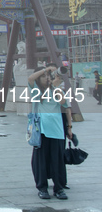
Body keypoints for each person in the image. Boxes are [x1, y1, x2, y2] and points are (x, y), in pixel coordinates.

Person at [28, 66, 69, 200]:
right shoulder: (36, 91)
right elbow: (30, 78)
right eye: (44, 77)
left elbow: (63, 103)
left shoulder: (57, 90)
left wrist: (56, 88)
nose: (47, 78)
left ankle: (59, 188)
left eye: (48, 76)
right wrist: (45, 69)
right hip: (42, 131)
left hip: (57, 131)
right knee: (41, 161)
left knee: (57, 161)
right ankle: (42, 188)